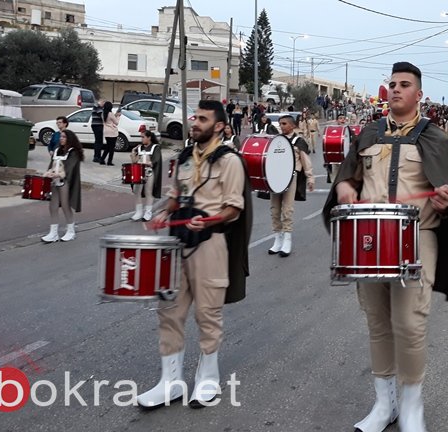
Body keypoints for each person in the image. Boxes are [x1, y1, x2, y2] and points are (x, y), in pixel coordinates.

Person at [323, 62, 448, 432]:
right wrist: (345, 187)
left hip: (418, 238)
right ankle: (383, 403)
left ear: (418, 94)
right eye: (392, 84)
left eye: (404, 85)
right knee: (377, 322)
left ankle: (411, 404)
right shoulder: (369, 133)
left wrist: (442, 202)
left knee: (409, 323)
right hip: (370, 241)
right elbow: (349, 175)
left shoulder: (434, 137)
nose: (396, 90)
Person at [141, 100, 252, 408]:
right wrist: (164, 212)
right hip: (177, 243)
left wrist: (209, 219)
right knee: (169, 311)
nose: (195, 122)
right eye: (195, 117)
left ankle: (208, 379)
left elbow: (233, 209)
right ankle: (170, 382)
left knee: (208, 313)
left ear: (218, 126)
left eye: (202, 119)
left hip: (209, 244)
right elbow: (177, 197)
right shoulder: (185, 156)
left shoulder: (230, 161)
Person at [267, 115, 314, 257]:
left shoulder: (298, 141)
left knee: (287, 210)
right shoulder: (276, 140)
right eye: (280, 124)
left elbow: (306, 161)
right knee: (274, 210)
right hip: (275, 178)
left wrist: (310, 177)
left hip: (291, 177)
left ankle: (287, 239)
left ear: (293, 126)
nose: (281, 126)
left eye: (284, 123)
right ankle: (278, 238)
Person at [41, 129, 83, 243]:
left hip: (65, 182)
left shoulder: (73, 152)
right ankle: (53, 233)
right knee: (52, 206)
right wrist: (48, 173)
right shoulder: (56, 150)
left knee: (65, 206)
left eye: (64, 137)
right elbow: (51, 165)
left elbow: (69, 168)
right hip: (55, 181)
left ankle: (71, 231)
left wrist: (58, 175)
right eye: (61, 137)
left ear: (69, 139)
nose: (61, 139)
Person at [129, 131, 162, 222]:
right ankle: (138, 212)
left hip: (149, 172)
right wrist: (133, 153)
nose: (141, 139)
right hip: (139, 172)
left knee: (148, 192)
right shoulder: (139, 148)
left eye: (143, 137)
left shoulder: (155, 148)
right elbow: (135, 161)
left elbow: (155, 161)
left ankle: (148, 212)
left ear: (149, 138)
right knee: (137, 191)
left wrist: (147, 162)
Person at [100, 101, 121, 166]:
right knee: (111, 148)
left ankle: (102, 159)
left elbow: (109, 120)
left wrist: (115, 115)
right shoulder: (110, 114)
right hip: (112, 132)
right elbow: (116, 122)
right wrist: (118, 116)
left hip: (106, 131)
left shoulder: (103, 113)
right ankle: (109, 161)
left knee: (108, 147)